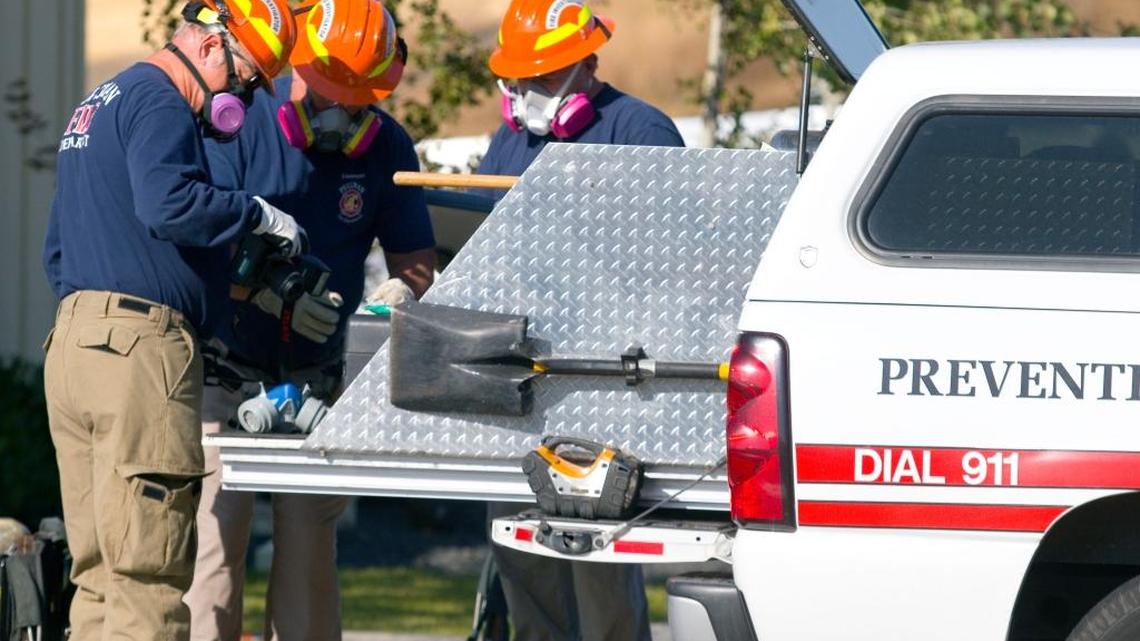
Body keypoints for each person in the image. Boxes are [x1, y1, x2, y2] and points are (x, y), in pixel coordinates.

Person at [40, 1, 299, 640]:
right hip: (137, 353)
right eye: (246, 78)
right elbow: (168, 204)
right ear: (212, 46)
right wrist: (255, 215)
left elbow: (58, 251)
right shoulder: (161, 101)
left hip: (74, 344)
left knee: (99, 573)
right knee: (150, 574)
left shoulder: (99, 102)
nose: (243, 95)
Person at [184, 2, 436, 640]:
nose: (344, 112)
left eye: (359, 101)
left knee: (309, 552)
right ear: (299, 68)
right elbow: (197, 241)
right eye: (333, 95)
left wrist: (392, 302)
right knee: (214, 544)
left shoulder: (388, 148)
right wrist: (266, 291)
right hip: (225, 367)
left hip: (318, 385)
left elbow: (416, 265)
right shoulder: (235, 126)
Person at [478, 2, 684, 640]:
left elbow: (672, 259)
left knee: (597, 555)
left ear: (586, 65)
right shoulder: (511, 140)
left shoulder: (641, 131)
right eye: (519, 81)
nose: (526, 95)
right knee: (521, 551)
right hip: (514, 370)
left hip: (601, 375)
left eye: (541, 79)